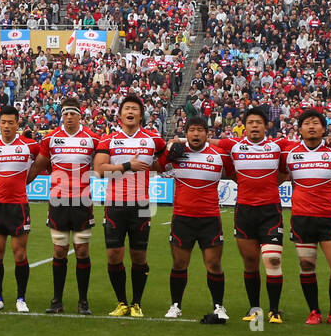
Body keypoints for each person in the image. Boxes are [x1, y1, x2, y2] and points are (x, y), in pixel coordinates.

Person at [92, 93, 165, 318]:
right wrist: (127, 165)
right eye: (127, 109)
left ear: (141, 115)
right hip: (114, 204)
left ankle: (136, 303)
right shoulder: (109, 140)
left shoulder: (154, 139)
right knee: (114, 255)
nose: (130, 112)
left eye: (134, 108)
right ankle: (122, 302)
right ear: (120, 115)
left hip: (141, 205)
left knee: (139, 257)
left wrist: (159, 164)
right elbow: (99, 169)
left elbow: (164, 162)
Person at [215, 107, 290, 324]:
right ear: (244, 126)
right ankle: (255, 308)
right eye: (250, 122)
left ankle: (274, 310)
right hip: (245, 211)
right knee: (250, 262)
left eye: (259, 122)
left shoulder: (278, 146)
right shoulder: (234, 146)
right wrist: (180, 139)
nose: (255, 126)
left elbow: (284, 172)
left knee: (272, 259)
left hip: (270, 211)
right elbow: (208, 142)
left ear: (266, 126)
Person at [282, 109, 331, 326]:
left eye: (316, 123)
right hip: (302, 219)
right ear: (300, 129)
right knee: (306, 266)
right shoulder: (288, 152)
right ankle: (314, 311)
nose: (311, 127)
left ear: (324, 128)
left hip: (328, 218)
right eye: (306, 123)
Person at [30, 97, 101, 315]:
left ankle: (83, 301)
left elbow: (104, 161)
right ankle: (57, 300)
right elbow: (37, 165)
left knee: (81, 250)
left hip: (82, 201)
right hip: (58, 201)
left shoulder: (92, 139)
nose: (69, 117)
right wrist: (20, 181)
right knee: (60, 250)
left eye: (72, 113)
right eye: (65, 113)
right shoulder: (51, 139)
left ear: (80, 115)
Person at [161, 117, 231, 321]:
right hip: (183, 218)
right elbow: (157, 166)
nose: (196, 134)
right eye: (192, 130)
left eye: (200, 130)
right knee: (179, 264)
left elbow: (235, 175)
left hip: (210, 219)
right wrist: (167, 150)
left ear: (207, 133)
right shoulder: (177, 153)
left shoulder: (218, 155)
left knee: (214, 264)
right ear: (187, 133)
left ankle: (219, 306)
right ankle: (175, 305)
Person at [0, 106, 41, 312]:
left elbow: (44, 158)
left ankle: (21, 299)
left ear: (17, 124)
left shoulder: (28, 146)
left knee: (19, 255)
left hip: (18, 207)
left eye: (10, 122)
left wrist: (29, 178)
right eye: (3, 122)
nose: (6, 126)